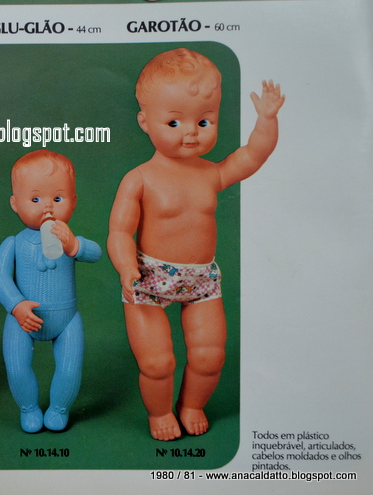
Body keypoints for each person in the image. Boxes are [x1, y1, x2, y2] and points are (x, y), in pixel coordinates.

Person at [108, 48, 284, 440]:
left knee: (209, 357)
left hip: (202, 280)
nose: (191, 132)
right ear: (145, 122)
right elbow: (119, 232)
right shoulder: (139, 178)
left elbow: (253, 155)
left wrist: (267, 120)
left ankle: (192, 405)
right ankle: (159, 413)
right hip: (148, 278)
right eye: (174, 121)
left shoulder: (211, 174)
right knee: (157, 363)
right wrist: (126, 266)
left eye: (204, 121)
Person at [0, 149, 101, 433]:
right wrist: (16, 305)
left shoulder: (69, 240)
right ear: (15, 204)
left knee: (69, 368)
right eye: (35, 199)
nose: (47, 207)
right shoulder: (14, 242)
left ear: (74, 201)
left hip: (67, 319)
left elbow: (96, 253)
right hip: (22, 320)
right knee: (17, 367)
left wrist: (74, 245)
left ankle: (59, 409)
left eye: (58, 199)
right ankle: (28, 408)